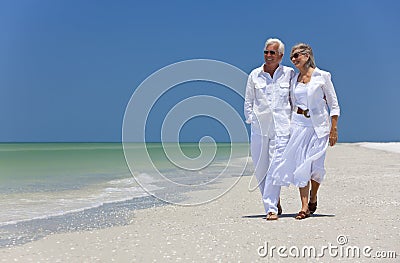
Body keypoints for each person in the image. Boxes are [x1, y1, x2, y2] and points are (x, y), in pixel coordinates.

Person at [270, 43, 340, 220]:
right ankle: (304, 207)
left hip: (319, 127)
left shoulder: (322, 76)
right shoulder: (294, 79)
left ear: (307, 56)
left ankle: (313, 196)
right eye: (292, 57)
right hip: (298, 124)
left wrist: (334, 128)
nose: (293, 59)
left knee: (316, 165)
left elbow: (333, 104)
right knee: (302, 165)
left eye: (296, 56)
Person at [244, 38, 295, 220]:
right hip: (260, 128)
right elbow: (248, 100)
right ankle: (273, 198)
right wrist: (251, 119)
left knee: (275, 166)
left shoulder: (289, 74)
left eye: (272, 52)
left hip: (282, 128)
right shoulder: (255, 75)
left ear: (280, 55)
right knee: (260, 168)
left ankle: (270, 207)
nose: (268, 55)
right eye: (266, 52)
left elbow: (294, 99)